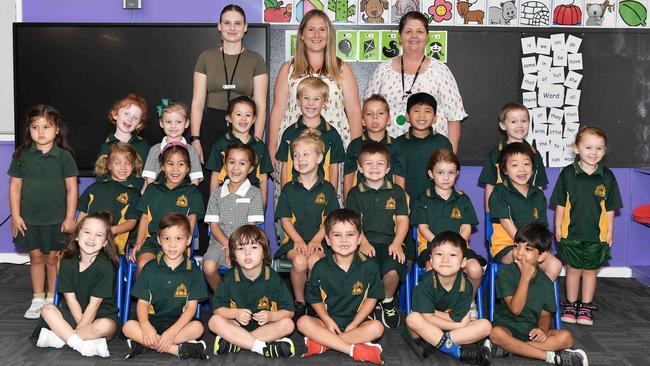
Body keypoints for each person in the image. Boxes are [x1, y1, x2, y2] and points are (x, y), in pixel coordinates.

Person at [269, 9, 362, 179]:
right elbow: (277, 111)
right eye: (311, 29)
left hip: (334, 150)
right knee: (292, 197)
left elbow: (355, 112)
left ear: (329, 35)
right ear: (302, 35)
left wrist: (356, 152)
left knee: (331, 199)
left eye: (322, 29)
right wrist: (272, 149)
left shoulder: (342, 69)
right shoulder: (288, 69)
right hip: (294, 150)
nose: (316, 34)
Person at [9, 105, 79, 319]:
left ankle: (52, 298)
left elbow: (72, 189)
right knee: (36, 256)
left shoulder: (65, 157)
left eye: (46, 127)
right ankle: (37, 298)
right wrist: (16, 215)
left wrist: (69, 217)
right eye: (35, 127)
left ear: (56, 129)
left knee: (53, 258)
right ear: (28, 130)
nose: (40, 132)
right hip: (30, 219)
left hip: (57, 219)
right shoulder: (22, 155)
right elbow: (15, 187)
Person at [365, 11, 466, 152]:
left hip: (432, 154)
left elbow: (454, 117)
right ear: (400, 36)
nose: (414, 36)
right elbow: (367, 110)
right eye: (408, 31)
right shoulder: (383, 70)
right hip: (387, 153)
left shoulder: (440, 71)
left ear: (427, 36)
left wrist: (451, 157)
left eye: (419, 31)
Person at [551, 126, 622, 326]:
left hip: (596, 236)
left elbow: (610, 209)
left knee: (590, 271)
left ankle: (585, 307)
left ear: (605, 150)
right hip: (571, 233)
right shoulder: (567, 174)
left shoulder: (607, 176)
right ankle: (571, 305)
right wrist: (557, 227)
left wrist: (609, 232)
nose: (594, 152)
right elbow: (561, 204)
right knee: (573, 269)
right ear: (576, 148)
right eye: (588, 147)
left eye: (599, 148)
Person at [489, 223, 588, 366]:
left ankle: (511, 348)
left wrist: (542, 329)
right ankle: (551, 357)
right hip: (507, 329)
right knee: (496, 334)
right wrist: (525, 278)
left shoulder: (546, 282)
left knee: (566, 338)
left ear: (541, 256)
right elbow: (516, 310)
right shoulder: (505, 274)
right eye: (517, 246)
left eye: (528, 249)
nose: (520, 252)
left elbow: (545, 315)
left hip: (531, 332)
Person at [297, 209, 385, 365]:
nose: (344, 240)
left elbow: (372, 297)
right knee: (302, 322)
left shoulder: (369, 265)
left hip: (358, 323)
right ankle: (353, 350)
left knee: (377, 328)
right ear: (328, 240)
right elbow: (314, 299)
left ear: (359, 239)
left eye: (350, 234)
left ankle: (324, 344)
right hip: (327, 323)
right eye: (337, 235)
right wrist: (327, 320)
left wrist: (355, 323)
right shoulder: (320, 267)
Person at [122, 213, 209, 360]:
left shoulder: (193, 271)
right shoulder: (149, 268)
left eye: (178, 238)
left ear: (188, 240)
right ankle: (176, 349)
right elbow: (142, 303)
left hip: (180, 324)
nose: (172, 244)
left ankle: (146, 344)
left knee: (198, 328)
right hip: (152, 322)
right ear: (159, 240)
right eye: (166, 238)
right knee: (127, 327)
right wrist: (145, 325)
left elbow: (191, 309)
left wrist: (171, 333)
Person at [32, 212, 119, 358]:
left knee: (106, 326)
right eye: (87, 232)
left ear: (105, 242)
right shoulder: (66, 262)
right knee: (47, 310)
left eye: (99, 235)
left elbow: (94, 305)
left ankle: (62, 337)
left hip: (99, 315)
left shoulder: (105, 267)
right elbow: (70, 300)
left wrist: (77, 330)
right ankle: (82, 345)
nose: (92, 238)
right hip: (73, 314)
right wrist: (80, 331)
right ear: (77, 236)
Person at [274, 130, 340, 319]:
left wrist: (317, 240)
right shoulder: (288, 189)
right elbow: (285, 220)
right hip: (294, 242)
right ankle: (300, 301)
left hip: (320, 242)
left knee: (315, 261)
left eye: (306, 154)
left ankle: (316, 301)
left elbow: (330, 219)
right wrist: (298, 241)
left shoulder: (327, 188)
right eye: (296, 156)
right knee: (301, 261)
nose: (300, 159)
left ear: (319, 158)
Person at [190, 4, 268, 162]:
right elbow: (197, 102)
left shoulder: (256, 59)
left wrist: (257, 141)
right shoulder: (206, 57)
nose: (232, 28)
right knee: (211, 182)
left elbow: (260, 104)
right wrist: (195, 138)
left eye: (238, 23)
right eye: (227, 23)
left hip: (244, 126)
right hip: (212, 124)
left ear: (245, 27)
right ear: (219, 26)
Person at [410, 149, 484, 313]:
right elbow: (423, 228)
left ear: (457, 174)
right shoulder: (423, 199)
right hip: (431, 248)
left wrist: (455, 247)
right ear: (431, 174)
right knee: (432, 270)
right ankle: (435, 308)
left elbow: (466, 228)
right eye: (440, 172)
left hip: (459, 248)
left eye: (450, 172)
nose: (445, 177)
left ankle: (466, 304)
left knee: (475, 269)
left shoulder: (462, 199)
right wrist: (441, 247)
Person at [403, 231, 492, 365]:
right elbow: (427, 318)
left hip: (446, 331)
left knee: (486, 326)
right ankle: (458, 352)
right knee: (412, 319)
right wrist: (458, 324)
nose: (445, 259)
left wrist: (437, 315)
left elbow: (450, 317)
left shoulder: (465, 286)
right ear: (431, 261)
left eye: (452, 255)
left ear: (463, 262)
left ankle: (434, 343)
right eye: (439, 254)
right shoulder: (426, 282)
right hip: (427, 328)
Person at [345, 143, 408, 328]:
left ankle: (388, 301)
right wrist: (362, 242)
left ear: (388, 168)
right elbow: (352, 223)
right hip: (364, 242)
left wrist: (397, 243)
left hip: (391, 242)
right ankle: (365, 305)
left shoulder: (397, 192)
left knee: (392, 271)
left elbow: (403, 221)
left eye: (380, 164)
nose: (374, 168)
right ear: (360, 168)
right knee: (363, 270)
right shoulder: (355, 193)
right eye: (369, 163)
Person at [208, 225, 295, 358]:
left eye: (254, 247)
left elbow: (289, 311)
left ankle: (236, 343)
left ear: (264, 253)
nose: (247, 253)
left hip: (266, 327)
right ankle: (262, 347)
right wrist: (235, 313)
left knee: (288, 324)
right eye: (241, 248)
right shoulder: (230, 277)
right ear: (234, 256)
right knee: (214, 321)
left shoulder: (273, 278)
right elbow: (217, 309)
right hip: (236, 325)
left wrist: (271, 316)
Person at [489, 143, 562, 281]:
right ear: (505, 170)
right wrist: (526, 246)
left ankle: (536, 297)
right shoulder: (499, 191)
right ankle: (520, 299)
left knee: (555, 265)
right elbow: (505, 222)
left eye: (526, 164)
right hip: (507, 247)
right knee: (527, 259)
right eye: (515, 165)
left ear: (533, 168)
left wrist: (538, 248)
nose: (521, 170)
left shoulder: (538, 195)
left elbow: (540, 228)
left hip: (533, 248)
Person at [132, 143, 205, 274]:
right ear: (163, 167)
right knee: (144, 265)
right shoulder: (152, 189)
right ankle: (144, 295)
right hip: (153, 242)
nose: (175, 169)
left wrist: (185, 243)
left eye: (181, 164)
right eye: (170, 164)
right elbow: (144, 217)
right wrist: (138, 243)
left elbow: (191, 219)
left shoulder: (193, 192)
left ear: (188, 168)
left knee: (170, 268)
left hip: (177, 244)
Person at [396, 92, 452, 262]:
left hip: (436, 209)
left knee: (437, 253)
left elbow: (448, 175)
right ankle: (409, 288)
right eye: (416, 111)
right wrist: (402, 209)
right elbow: (398, 179)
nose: (422, 116)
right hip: (409, 206)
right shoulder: (399, 143)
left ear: (435, 118)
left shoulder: (442, 143)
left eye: (428, 111)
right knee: (409, 256)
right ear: (407, 116)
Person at [203, 144, 265, 291]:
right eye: (231, 162)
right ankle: (223, 297)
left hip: (245, 243)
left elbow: (252, 227)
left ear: (250, 169)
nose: (236, 167)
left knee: (246, 268)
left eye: (242, 163)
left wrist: (237, 247)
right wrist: (227, 245)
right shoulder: (217, 193)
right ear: (225, 165)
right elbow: (213, 226)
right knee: (208, 268)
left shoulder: (255, 193)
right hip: (219, 242)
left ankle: (241, 298)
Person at [275, 77, 345, 190]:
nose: (311, 103)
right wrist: (285, 194)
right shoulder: (289, 133)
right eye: (306, 98)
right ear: (298, 100)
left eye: (316, 99)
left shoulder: (332, 134)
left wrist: (331, 195)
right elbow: (285, 166)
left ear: (325, 102)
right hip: (295, 195)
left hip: (321, 196)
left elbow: (334, 167)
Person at [204, 96, 272, 206]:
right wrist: (213, 205)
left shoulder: (260, 146)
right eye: (239, 114)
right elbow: (215, 176)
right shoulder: (220, 144)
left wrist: (262, 205)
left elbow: (263, 178)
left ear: (254, 119)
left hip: (251, 204)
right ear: (229, 118)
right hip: (225, 202)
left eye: (248, 115)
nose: (243, 119)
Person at [479, 102, 548, 212]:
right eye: (513, 121)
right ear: (503, 125)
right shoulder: (496, 154)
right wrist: (489, 216)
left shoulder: (534, 154)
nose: (520, 125)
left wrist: (539, 213)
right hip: (503, 214)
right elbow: (490, 187)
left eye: (524, 121)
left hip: (528, 212)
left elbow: (538, 186)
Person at [77, 143, 142, 254]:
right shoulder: (95, 188)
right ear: (109, 165)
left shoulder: (134, 194)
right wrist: (77, 233)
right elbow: (83, 214)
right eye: (117, 163)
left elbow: (131, 223)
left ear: (133, 166)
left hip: (112, 246)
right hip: (87, 241)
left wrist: (111, 231)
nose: (123, 167)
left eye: (128, 163)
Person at [343, 94, 404, 201]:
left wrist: (400, 201)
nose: (375, 117)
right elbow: (348, 176)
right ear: (362, 121)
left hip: (388, 201)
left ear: (389, 119)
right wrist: (348, 203)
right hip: (361, 200)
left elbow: (399, 176)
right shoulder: (355, 145)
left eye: (380, 113)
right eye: (369, 114)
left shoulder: (395, 145)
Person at [141, 100, 203, 191]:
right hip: (159, 196)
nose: (173, 126)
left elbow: (195, 179)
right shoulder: (155, 150)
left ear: (186, 123)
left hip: (182, 196)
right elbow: (150, 180)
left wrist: (189, 195)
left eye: (178, 122)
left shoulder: (191, 151)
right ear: (161, 123)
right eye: (168, 122)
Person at [98, 93, 150, 167]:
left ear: (139, 124)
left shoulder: (144, 146)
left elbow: (150, 175)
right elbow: (101, 175)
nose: (130, 119)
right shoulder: (106, 146)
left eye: (135, 118)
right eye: (126, 113)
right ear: (115, 114)